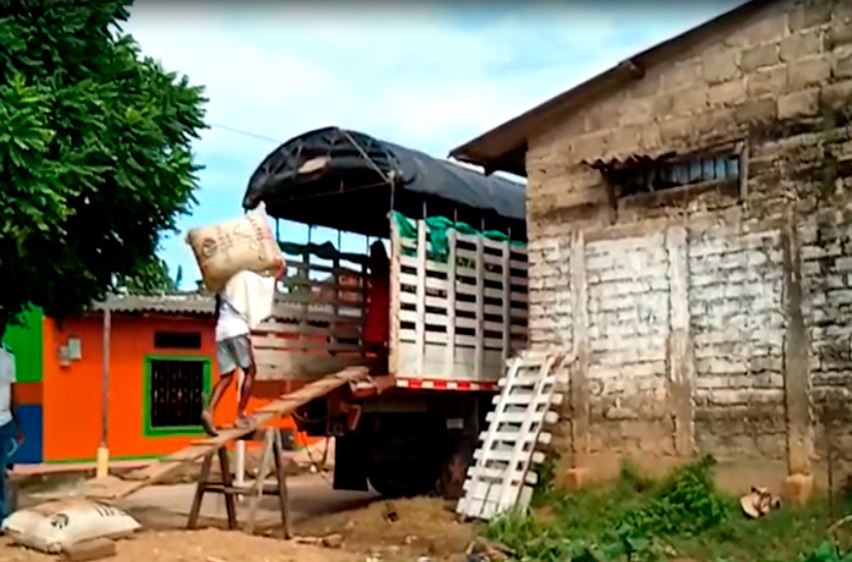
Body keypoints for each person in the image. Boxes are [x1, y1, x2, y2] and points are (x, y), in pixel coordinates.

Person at [200, 290, 258, 436]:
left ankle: (209, 411)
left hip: (221, 331)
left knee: (226, 377)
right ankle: (240, 415)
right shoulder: (240, 282)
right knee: (250, 371)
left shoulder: (222, 284)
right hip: (237, 330)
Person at [0, 323, 23, 522]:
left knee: (1, 471)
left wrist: (19, 425)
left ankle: (1, 518)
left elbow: (14, 392)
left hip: (4, 423)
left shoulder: (8, 357)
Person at [363, 241, 390, 373]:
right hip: (382, 308)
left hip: (379, 307)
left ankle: (376, 368)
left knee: (376, 340)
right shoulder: (387, 268)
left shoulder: (379, 271)